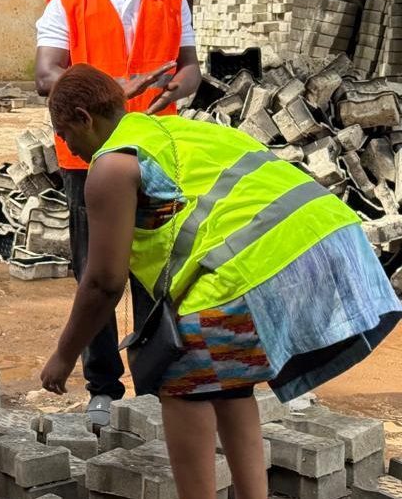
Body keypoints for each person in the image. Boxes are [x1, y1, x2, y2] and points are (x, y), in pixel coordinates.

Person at [39, 64, 401, 499]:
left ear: (84, 118)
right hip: (332, 245)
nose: (68, 148)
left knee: (179, 379)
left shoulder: (112, 166)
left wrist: (64, 356)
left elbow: (103, 282)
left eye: (65, 135)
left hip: (260, 263)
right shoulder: (178, 131)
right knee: (229, 384)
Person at [33, 0, 203, 425]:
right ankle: (103, 386)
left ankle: (155, 381)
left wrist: (179, 87)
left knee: (155, 271)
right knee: (96, 271)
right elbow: (47, 75)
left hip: (155, 154)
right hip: (89, 157)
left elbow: (190, 66)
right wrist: (114, 91)